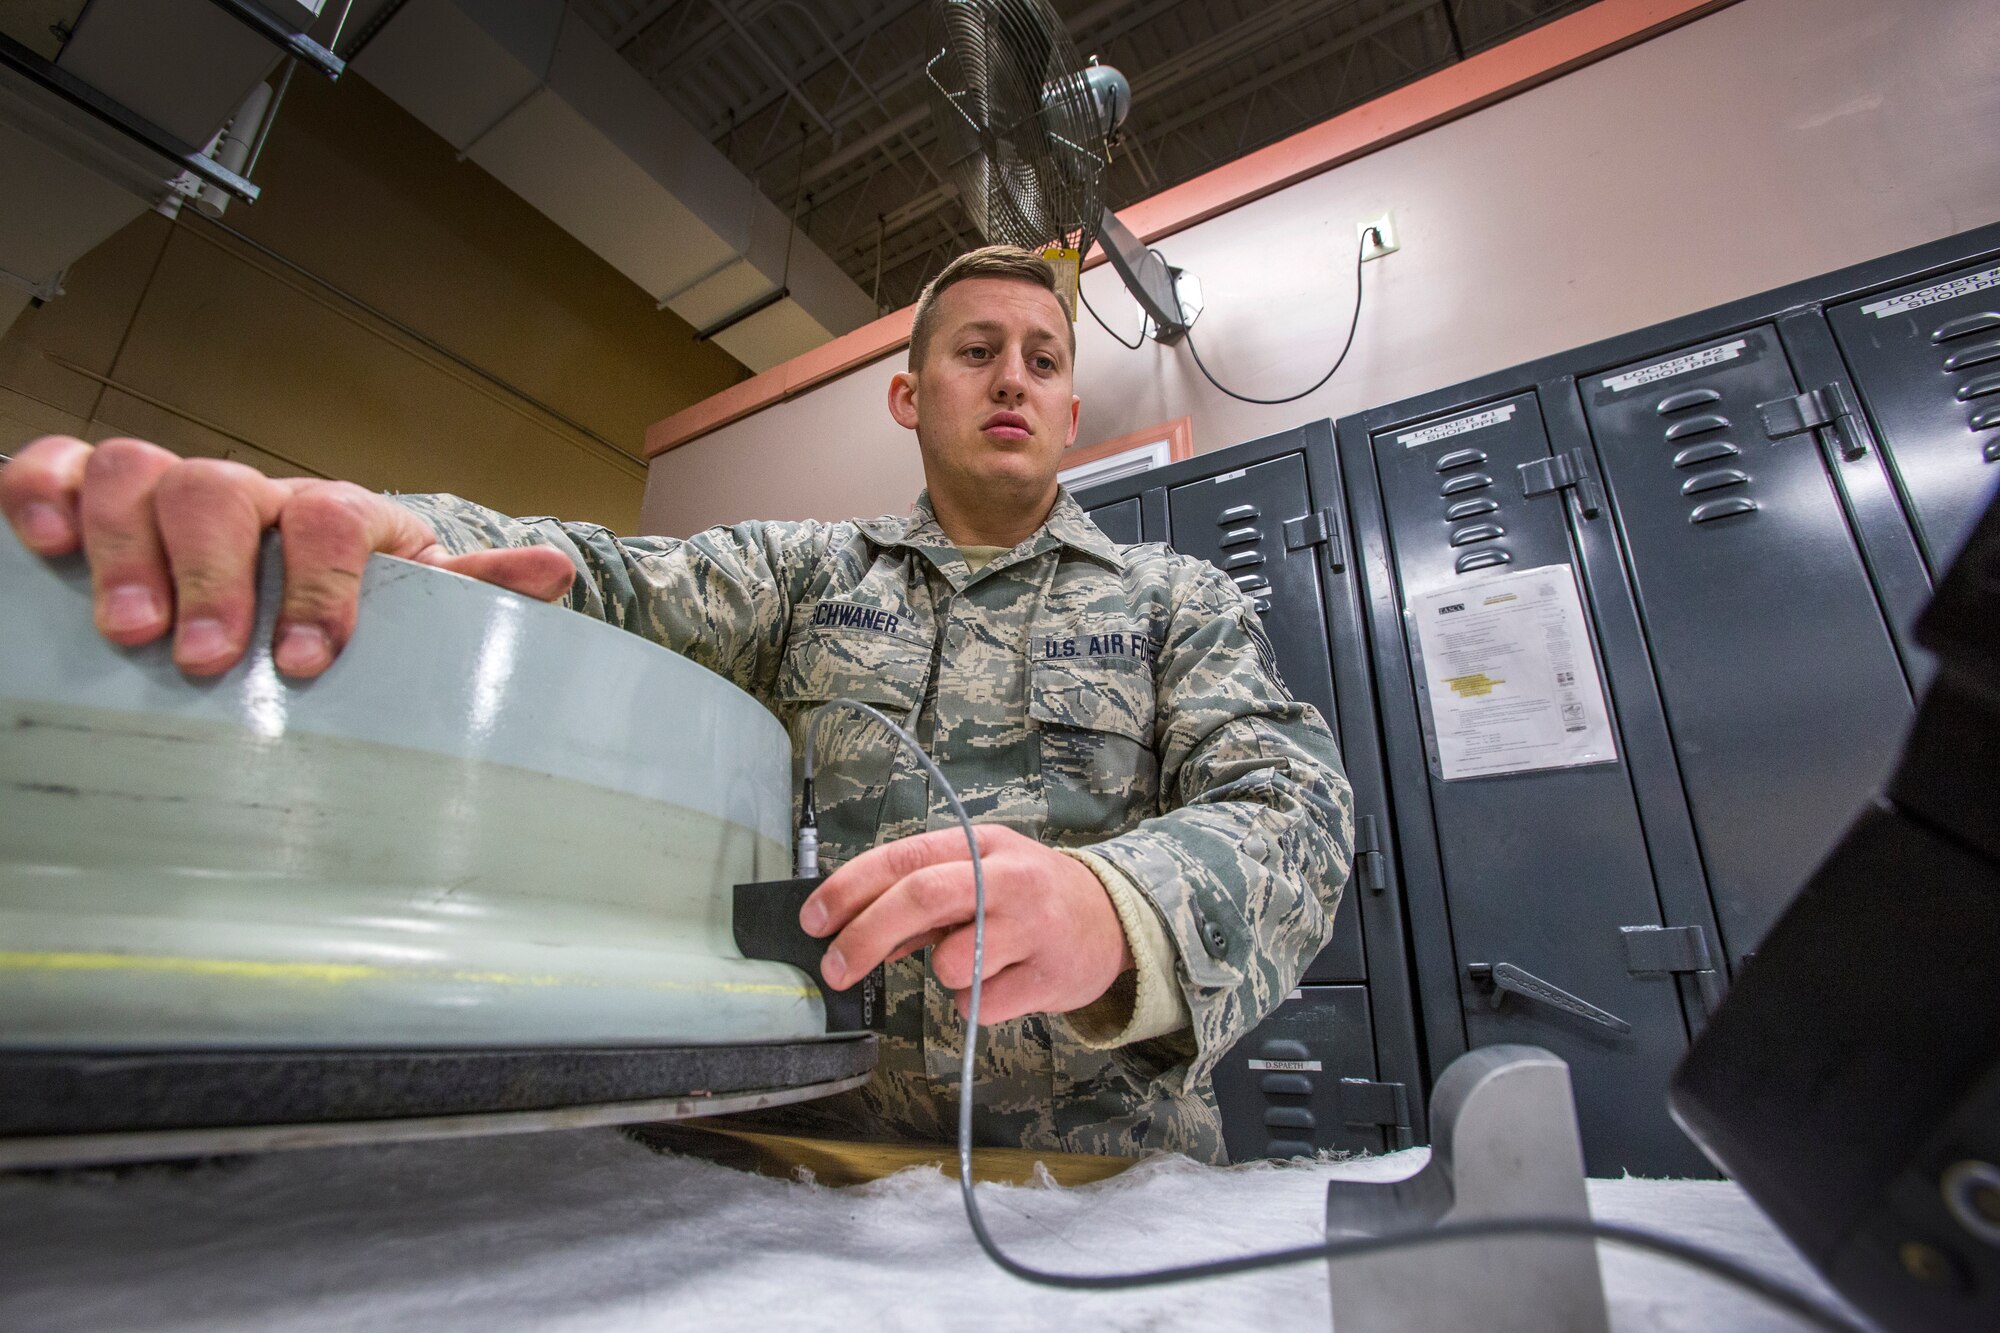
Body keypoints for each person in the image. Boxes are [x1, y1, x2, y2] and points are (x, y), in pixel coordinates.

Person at [0, 246, 1352, 1164]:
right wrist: (394, 526)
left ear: (1070, 399)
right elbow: (602, 577)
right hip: (804, 1164)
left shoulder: (1178, 600)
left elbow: (1295, 803)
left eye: (1045, 358)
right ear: (908, 391)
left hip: (1106, 1184)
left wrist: (1113, 906)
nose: (1014, 379)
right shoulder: (804, 575)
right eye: (978, 350)